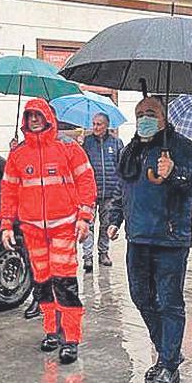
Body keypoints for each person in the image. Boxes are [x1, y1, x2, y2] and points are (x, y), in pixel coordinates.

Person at [106, 97, 192, 383]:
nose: (144, 119)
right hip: (137, 238)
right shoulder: (131, 149)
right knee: (140, 296)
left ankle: (168, 363)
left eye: (150, 113)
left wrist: (176, 172)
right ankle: (169, 351)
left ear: (164, 116)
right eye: (140, 114)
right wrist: (115, 218)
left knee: (169, 302)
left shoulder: (182, 147)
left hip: (170, 239)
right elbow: (121, 187)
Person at [0, 99, 97, 365]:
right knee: (42, 283)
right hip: (32, 230)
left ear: (48, 118)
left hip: (64, 226)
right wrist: (6, 224)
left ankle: (71, 339)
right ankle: (51, 332)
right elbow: (8, 191)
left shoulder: (68, 148)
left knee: (64, 283)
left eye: (37, 115)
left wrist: (84, 217)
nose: (33, 120)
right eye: (29, 116)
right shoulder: (18, 154)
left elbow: (86, 182)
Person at [81, 112, 124, 273]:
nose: (95, 127)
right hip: (91, 192)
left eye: (99, 124)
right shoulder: (87, 142)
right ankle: (87, 257)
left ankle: (103, 253)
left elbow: (121, 168)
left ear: (106, 125)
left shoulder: (116, 143)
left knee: (106, 224)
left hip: (111, 192)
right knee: (89, 225)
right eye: (94, 124)